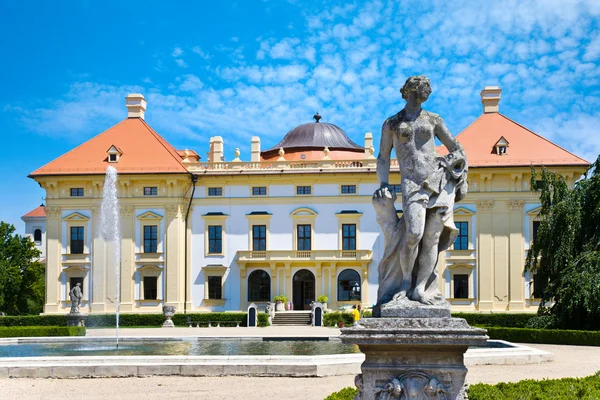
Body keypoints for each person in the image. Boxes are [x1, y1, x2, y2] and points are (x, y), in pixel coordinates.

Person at [373, 76, 468, 313]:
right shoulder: (392, 123)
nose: (426, 91)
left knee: (432, 238)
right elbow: (383, 157)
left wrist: (457, 171)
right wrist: (383, 182)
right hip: (412, 183)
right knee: (414, 233)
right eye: (422, 88)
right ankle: (404, 285)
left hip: (438, 181)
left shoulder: (433, 120)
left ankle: (421, 289)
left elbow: (456, 148)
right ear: (410, 91)